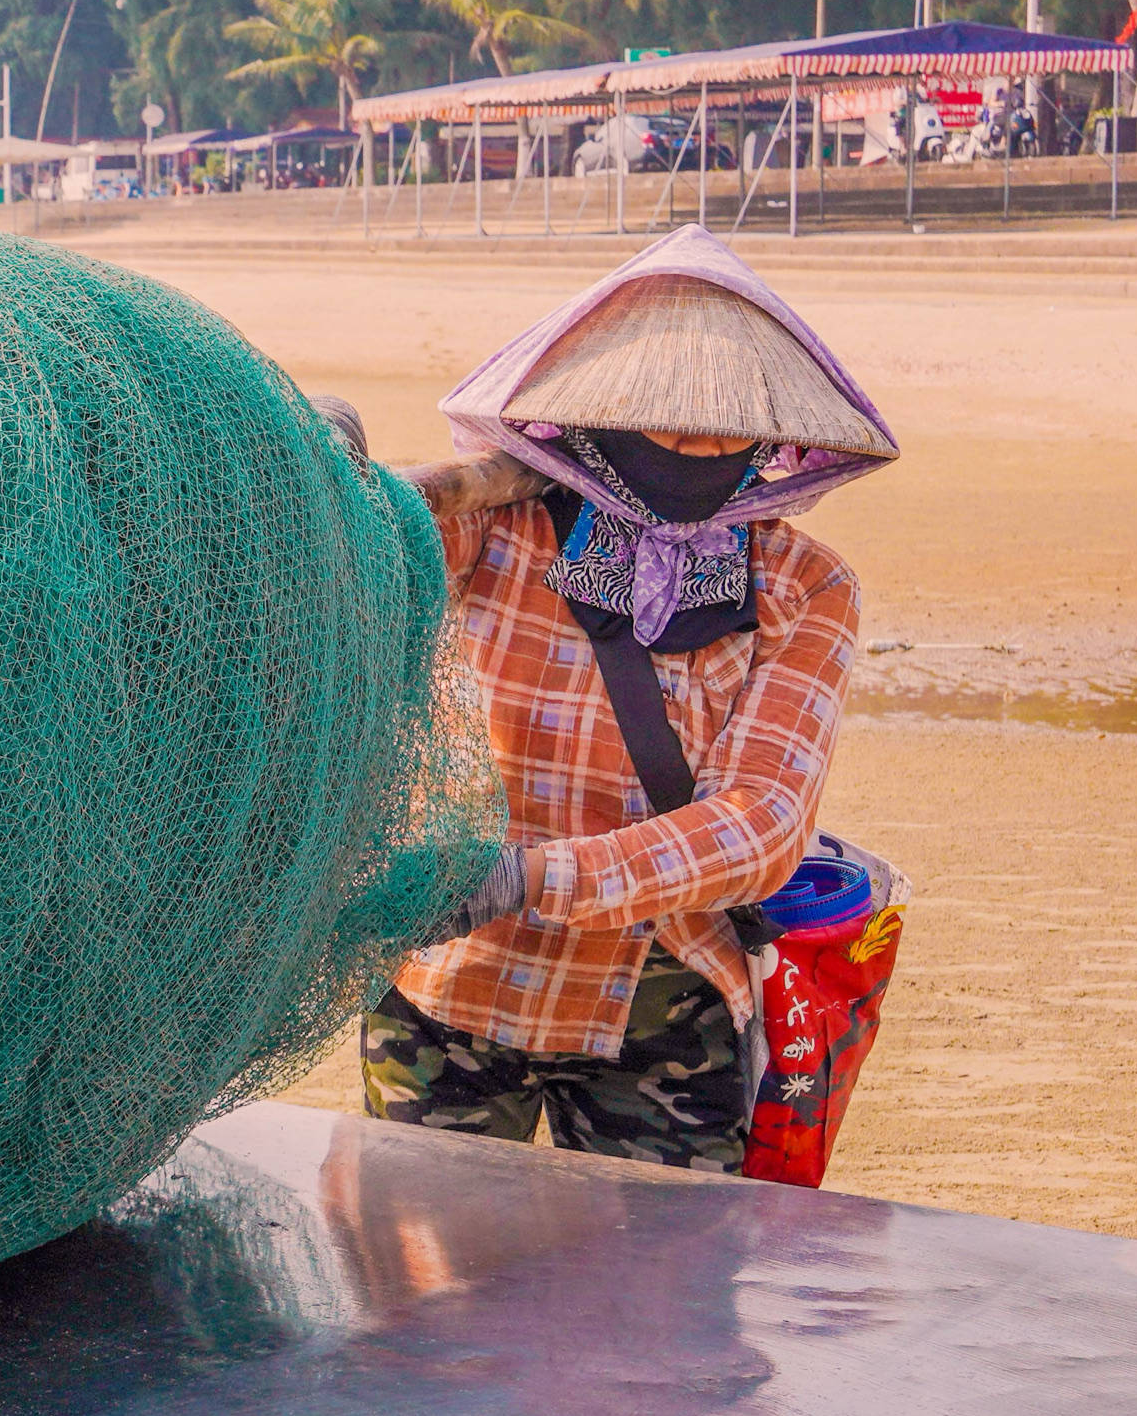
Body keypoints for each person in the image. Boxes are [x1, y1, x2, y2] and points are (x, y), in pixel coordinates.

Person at [365, 226, 897, 1171]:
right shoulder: (494, 530)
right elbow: (348, 572)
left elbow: (765, 823)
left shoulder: (803, 583)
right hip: (449, 988)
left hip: (665, 1009)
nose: (697, 447)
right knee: (417, 1291)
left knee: (659, 1310)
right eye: (665, 421)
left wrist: (530, 878)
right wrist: (386, 487)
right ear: (599, 410)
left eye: (729, 425)